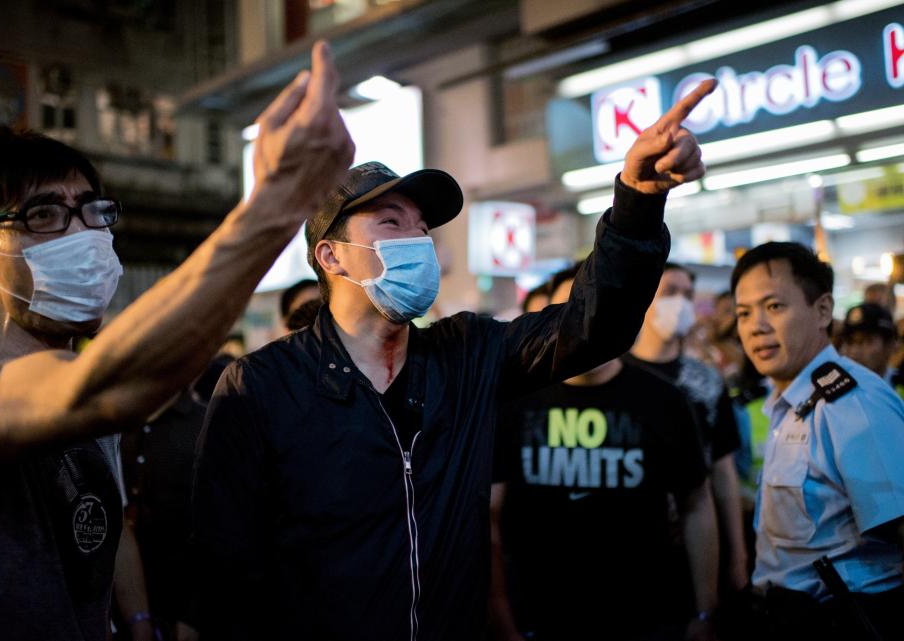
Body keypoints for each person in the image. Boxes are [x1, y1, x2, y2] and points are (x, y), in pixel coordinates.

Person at [192, 80, 717, 640]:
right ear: (331, 256)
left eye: (422, 227)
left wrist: (636, 199)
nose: (417, 240)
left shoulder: (467, 355)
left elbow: (595, 326)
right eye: (391, 223)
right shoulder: (261, 386)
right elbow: (224, 573)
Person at [0, 40, 353, 641]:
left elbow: (104, 529)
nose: (82, 234)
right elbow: (101, 389)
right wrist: (277, 201)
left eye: (90, 211)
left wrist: (136, 621)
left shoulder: (90, 382)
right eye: (43, 216)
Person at [488, 266, 720, 641]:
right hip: (539, 615)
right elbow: (489, 517)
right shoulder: (514, 401)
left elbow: (697, 503)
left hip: (645, 618)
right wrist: (501, 621)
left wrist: (706, 611)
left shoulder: (665, 400)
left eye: (592, 308)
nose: (582, 325)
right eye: (568, 311)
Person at [732, 241, 904, 641]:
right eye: (744, 313)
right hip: (788, 619)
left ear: (823, 310)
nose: (756, 326)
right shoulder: (787, 402)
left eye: (774, 307)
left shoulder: (851, 403)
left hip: (845, 621)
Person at [626, 263, 749, 597]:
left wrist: (737, 556)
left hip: (698, 546)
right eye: (669, 292)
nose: (680, 302)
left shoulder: (707, 382)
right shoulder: (619, 376)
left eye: (687, 294)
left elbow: (724, 474)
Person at [120, 354, 236, 641]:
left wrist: (192, 617)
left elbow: (223, 532)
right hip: (119, 612)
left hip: (184, 612)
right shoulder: (114, 424)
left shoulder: (205, 424)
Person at [839, 302, 897, 383]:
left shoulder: (898, 386)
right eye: (849, 341)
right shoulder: (832, 389)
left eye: (867, 341)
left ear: (889, 346)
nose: (854, 351)